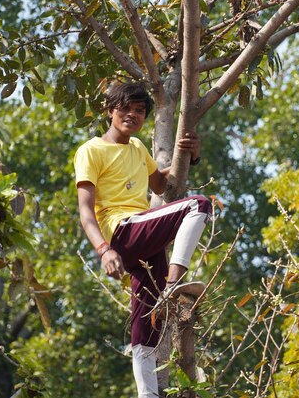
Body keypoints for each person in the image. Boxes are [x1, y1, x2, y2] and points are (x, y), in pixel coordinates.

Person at [74, 82, 212, 397]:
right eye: (126, 108)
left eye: (139, 111)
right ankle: (174, 284)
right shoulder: (91, 150)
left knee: (147, 324)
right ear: (110, 110)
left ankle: (147, 394)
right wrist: (103, 249)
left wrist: (190, 155)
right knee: (198, 205)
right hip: (122, 231)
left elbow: (160, 185)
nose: (132, 115)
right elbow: (85, 211)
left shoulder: (137, 147)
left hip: (143, 241)